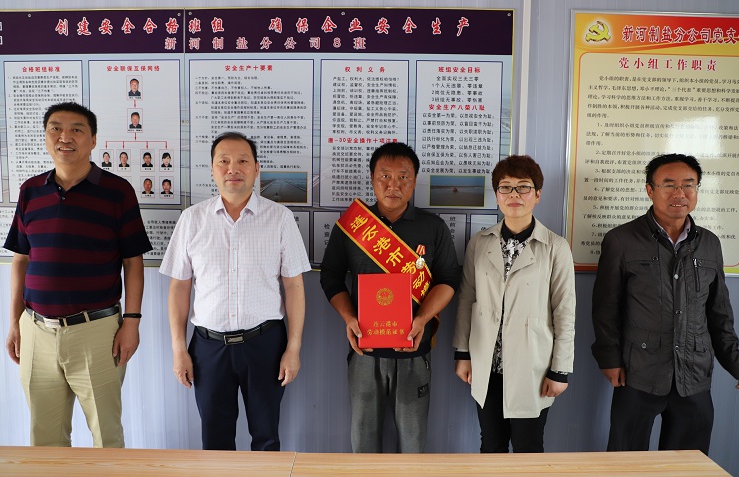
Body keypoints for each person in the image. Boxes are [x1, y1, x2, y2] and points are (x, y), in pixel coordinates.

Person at [3, 101, 152, 448]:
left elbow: (133, 261)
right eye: (55, 129)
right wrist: (14, 322)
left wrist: (132, 323)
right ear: (46, 137)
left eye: (76, 130)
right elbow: (21, 259)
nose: (64, 137)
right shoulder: (30, 191)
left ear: (93, 139)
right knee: (44, 438)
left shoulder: (117, 192)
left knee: (106, 436)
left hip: (97, 331)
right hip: (36, 330)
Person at [160, 132, 310, 451]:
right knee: (215, 440)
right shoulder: (192, 220)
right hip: (208, 347)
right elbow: (179, 288)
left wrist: (293, 348)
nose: (233, 168)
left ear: (256, 169)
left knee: (266, 436)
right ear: (213, 169)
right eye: (224, 161)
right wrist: (178, 349)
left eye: (242, 160)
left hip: (265, 344)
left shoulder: (280, 219)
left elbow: (294, 287)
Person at [592, 153, 739, 455]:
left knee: (688, 464)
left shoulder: (710, 243)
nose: (679, 193)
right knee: (626, 461)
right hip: (638, 372)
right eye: (669, 184)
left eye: (688, 185)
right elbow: (606, 308)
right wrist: (609, 358)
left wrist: (737, 366)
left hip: (694, 374)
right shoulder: (621, 240)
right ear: (650, 190)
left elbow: (719, 315)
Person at [320, 142, 460, 453]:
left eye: (403, 177)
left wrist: (422, 318)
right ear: (372, 178)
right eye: (385, 176)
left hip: (414, 351)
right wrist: (349, 318)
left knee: (413, 444)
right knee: (363, 442)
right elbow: (330, 276)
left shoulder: (433, 227)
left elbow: (449, 279)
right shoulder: (353, 226)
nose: (393, 185)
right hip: (364, 350)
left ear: (414, 181)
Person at [452, 155, 576, 453]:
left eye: (523, 187)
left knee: (528, 446)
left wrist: (560, 370)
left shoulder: (555, 247)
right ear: (497, 195)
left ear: (537, 194)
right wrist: (462, 353)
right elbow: (467, 298)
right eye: (506, 187)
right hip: (487, 362)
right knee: (490, 444)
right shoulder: (480, 242)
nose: (514, 195)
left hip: (533, 365)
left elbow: (564, 311)